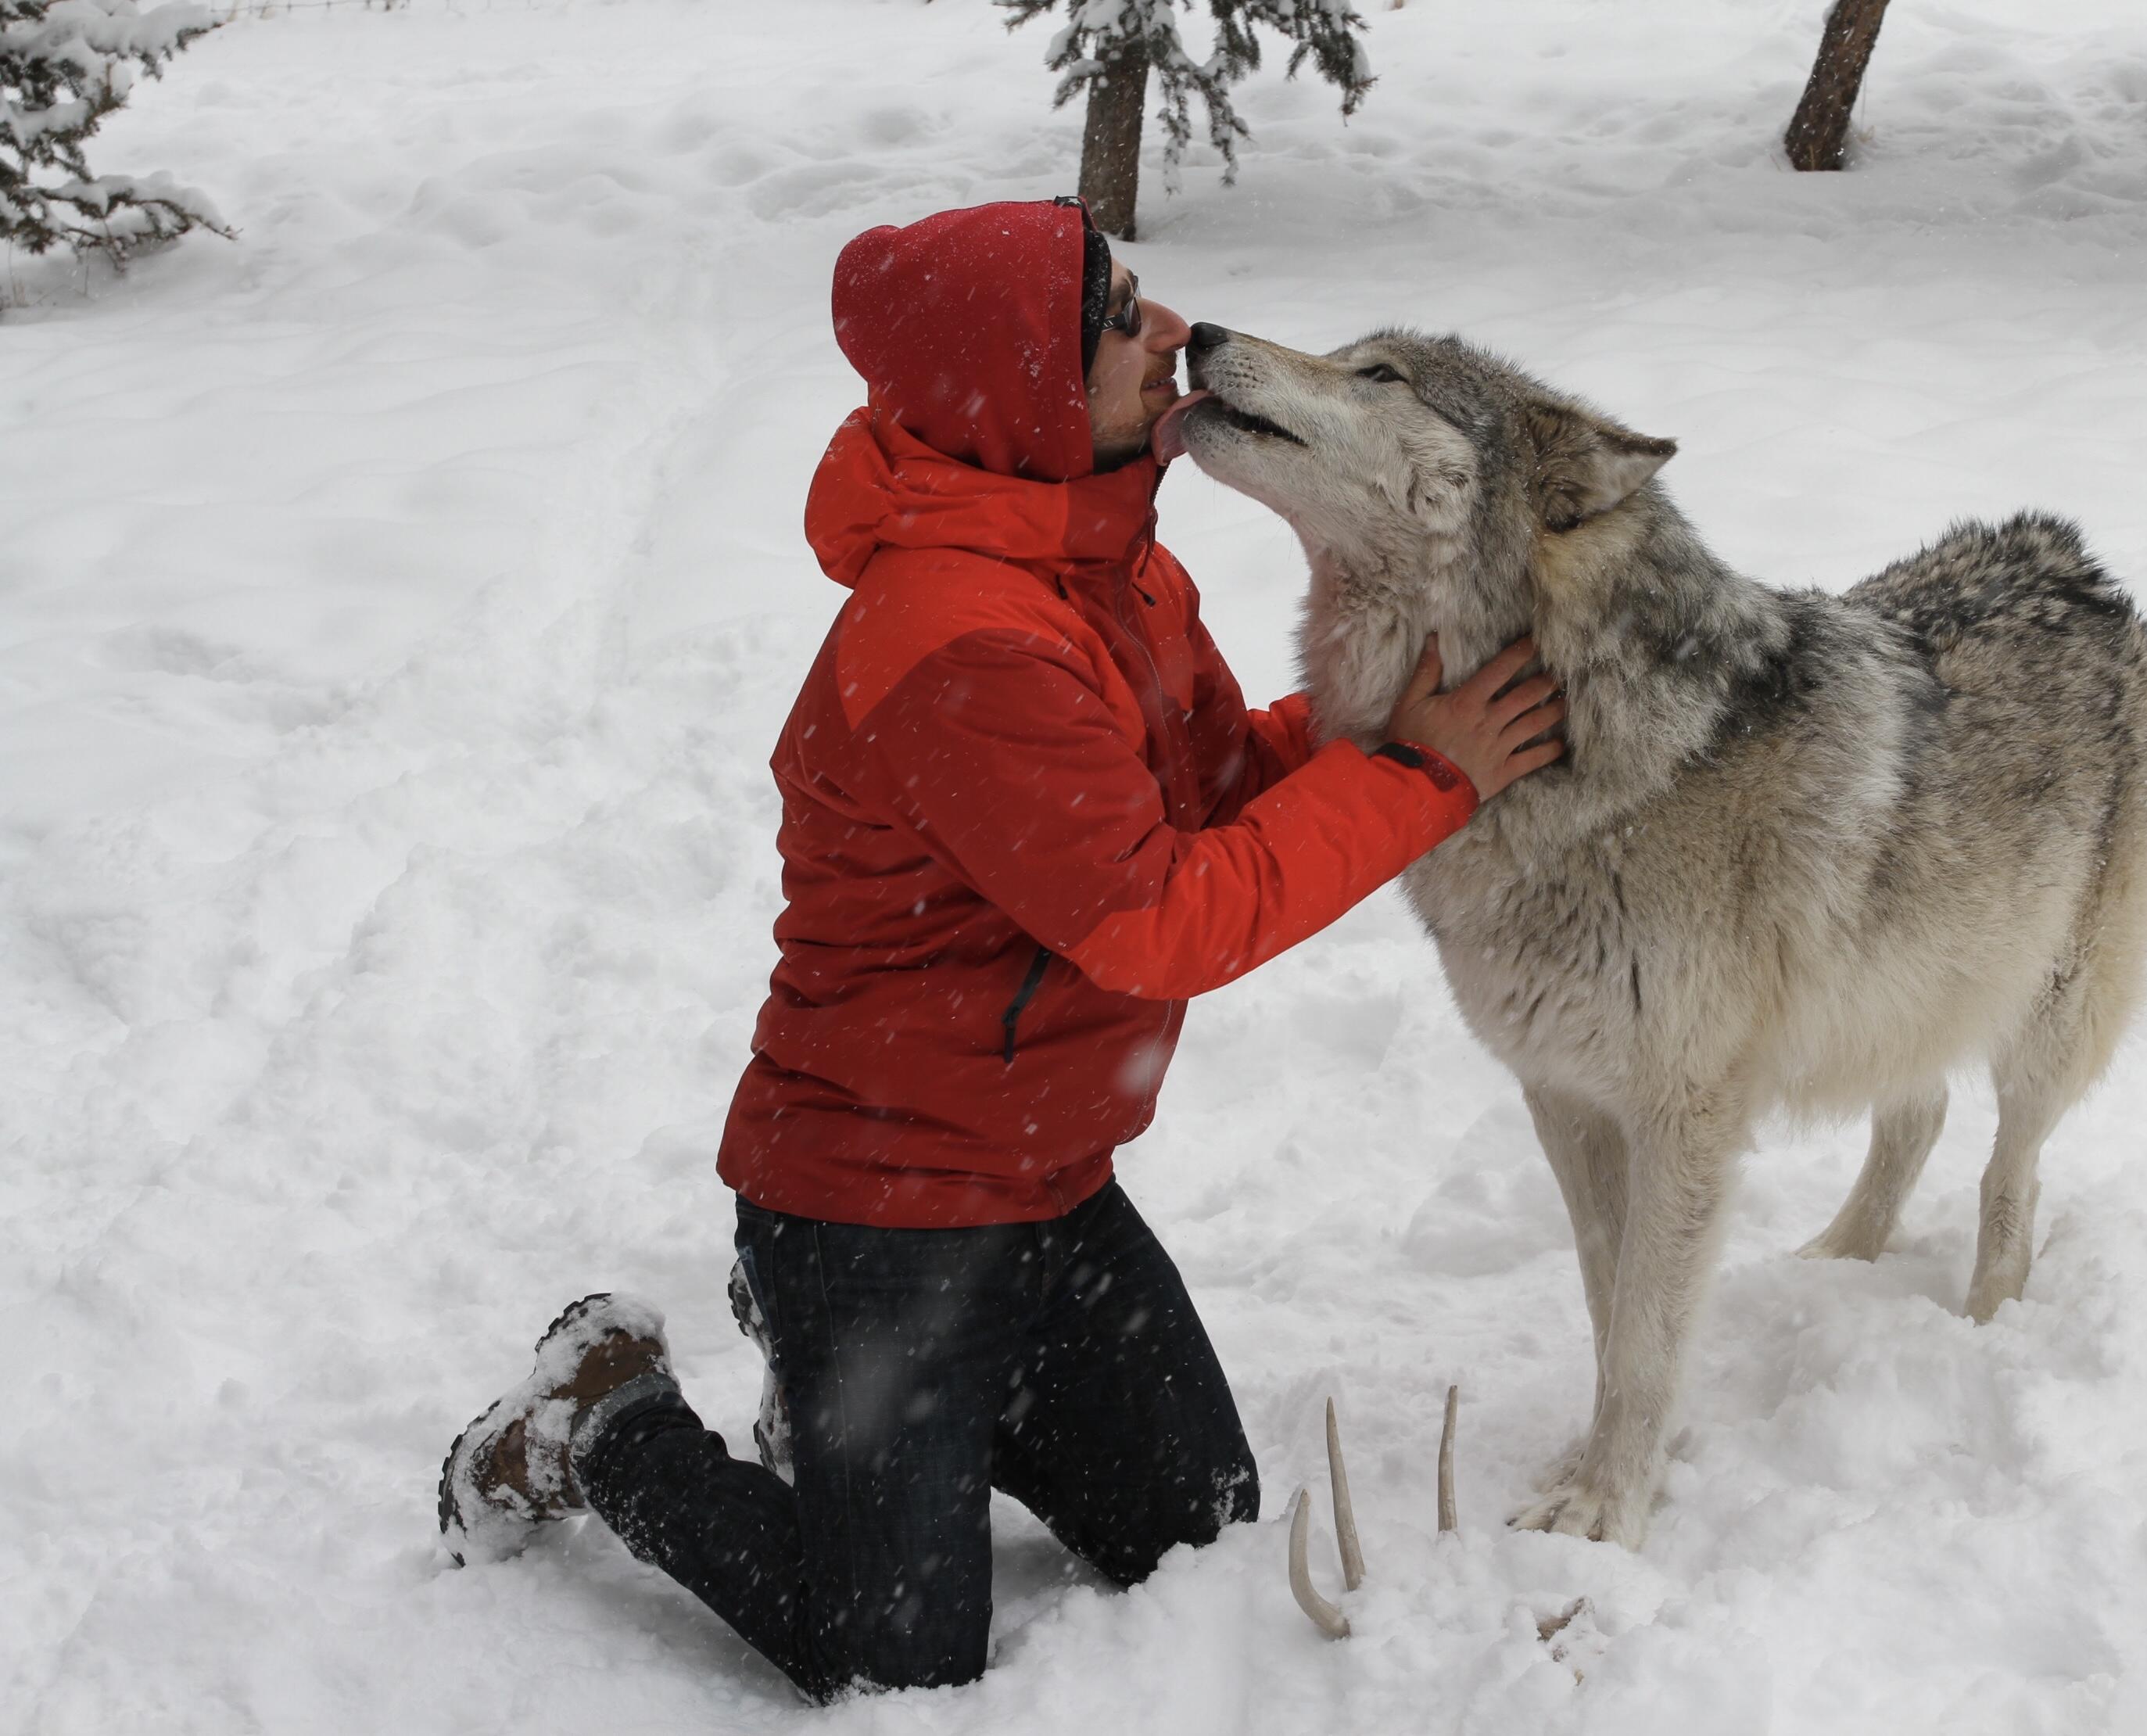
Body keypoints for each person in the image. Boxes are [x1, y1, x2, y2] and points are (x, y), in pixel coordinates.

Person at [436, 196, 1563, 1703]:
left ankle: (875, 1413)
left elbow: (1220, 784)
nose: (1171, 334)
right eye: (1122, 320)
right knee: (890, 1664)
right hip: (875, 1210)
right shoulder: (961, 641)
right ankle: (602, 1421)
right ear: (1020, 395)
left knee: (1199, 1533)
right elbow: (1159, 915)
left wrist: (1386, 725)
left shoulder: (1108, 561)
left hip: (1043, 1188)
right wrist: (1422, 775)